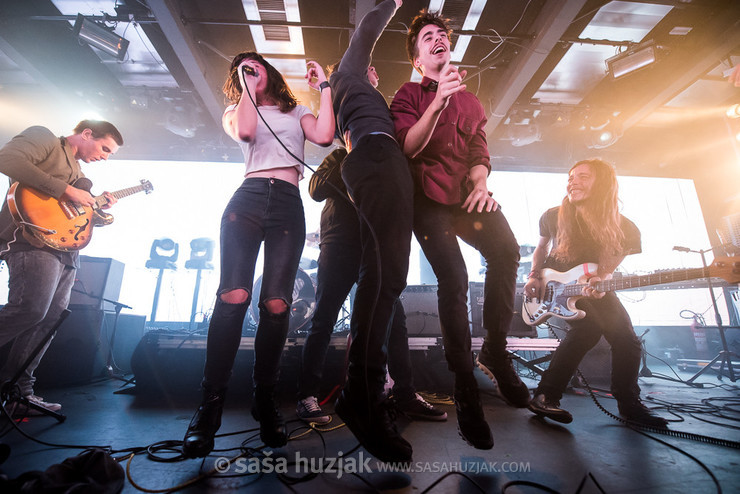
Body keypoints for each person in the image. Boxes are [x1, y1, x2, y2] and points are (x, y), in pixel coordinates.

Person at [182, 52, 334, 458]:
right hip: (247, 199)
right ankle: (209, 406)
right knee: (233, 295)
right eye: (243, 67)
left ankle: (264, 398)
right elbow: (247, 133)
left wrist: (324, 87)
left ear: (270, 69)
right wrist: (247, 88)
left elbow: (323, 136)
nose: (251, 69)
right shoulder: (237, 109)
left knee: (277, 303)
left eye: (256, 64)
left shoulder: (297, 109)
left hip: (287, 202)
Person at [390, 10, 529, 450]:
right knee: (454, 278)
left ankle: (496, 350)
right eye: (427, 37)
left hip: (465, 197)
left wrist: (483, 182)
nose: (437, 39)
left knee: (507, 251)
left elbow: (478, 148)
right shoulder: (409, 92)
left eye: (442, 35)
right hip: (427, 201)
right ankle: (465, 386)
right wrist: (437, 101)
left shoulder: (471, 101)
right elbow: (407, 145)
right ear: (418, 58)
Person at [296, 145, 446, 424]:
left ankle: (405, 394)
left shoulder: (389, 160)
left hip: (375, 247)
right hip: (340, 244)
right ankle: (307, 397)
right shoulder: (340, 156)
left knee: (396, 321)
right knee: (323, 319)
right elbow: (316, 189)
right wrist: (353, 161)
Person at [328, 0, 415, 463]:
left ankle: (363, 389)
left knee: (381, 272)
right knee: (385, 275)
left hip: (379, 160)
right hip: (378, 159)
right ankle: (363, 392)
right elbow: (365, 32)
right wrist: (391, 4)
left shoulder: (364, 103)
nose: (371, 71)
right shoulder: (347, 78)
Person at [525, 159, 668, 428]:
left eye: (582, 176)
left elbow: (609, 266)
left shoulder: (624, 226)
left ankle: (626, 403)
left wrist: (602, 279)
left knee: (625, 339)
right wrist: (534, 275)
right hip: (556, 287)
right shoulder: (553, 215)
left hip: (592, 286)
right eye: (570, 176)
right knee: (587, 332)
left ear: (601, 183)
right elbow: (541, 248)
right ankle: (547, 395)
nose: (572, 181)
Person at [0, 120, 123, 415]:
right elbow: (7, 159)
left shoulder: (79, 174)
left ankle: (20, 393)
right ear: (86, 133)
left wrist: (95, 209)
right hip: (30, 241)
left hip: (65, 252)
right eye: (105, 148)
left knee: (49, 320)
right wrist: (67, 190)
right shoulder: (44, 138)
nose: (105, 156)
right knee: (30, 309)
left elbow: (71, 215)